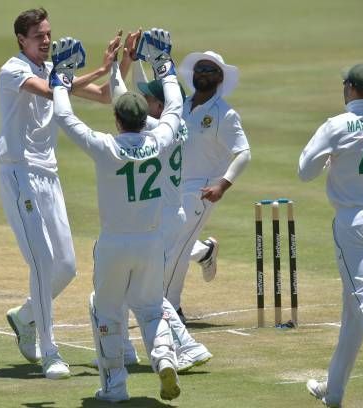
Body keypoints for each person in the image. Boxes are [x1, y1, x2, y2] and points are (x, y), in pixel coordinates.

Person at [51, 29, 182, 402]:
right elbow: (174, 108)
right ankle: (164, 358)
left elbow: (63, 115)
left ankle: (115, 387)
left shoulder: (105, 146)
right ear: (144, 120)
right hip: (151, 241)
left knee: (106, 311)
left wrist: (61, 76)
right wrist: (164, 65)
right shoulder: (159, 140)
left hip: (113, 243)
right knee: (152, 309)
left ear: (118, 121)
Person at [0, 7, 121, 380]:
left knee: (65, 267)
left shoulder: (52, 71)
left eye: (49, 34)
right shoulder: (13, 70)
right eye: (39, 36)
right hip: (20, 175)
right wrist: (69, 75)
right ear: (21, 39)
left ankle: (25, 316)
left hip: (48, 176)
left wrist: (113, 66)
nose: (47, 41)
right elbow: (52, 91)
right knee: (42, 264)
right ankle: (49, 351)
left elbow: (103, 97)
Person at [101, 37, 212, 373]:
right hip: (169, 213)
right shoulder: (172, 125)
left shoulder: (149, 127)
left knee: (145, 295)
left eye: (149, 98)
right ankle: (126, 351)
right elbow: (140, 94)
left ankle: (188, 346)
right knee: (141, 291)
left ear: (157, 107)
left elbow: (122, 99)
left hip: (159, 220)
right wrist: (136, 60)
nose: (144, 100)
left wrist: (113, 65)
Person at [299, 63, 363, 407]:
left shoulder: (335, 126)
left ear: (350, 88)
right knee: (353, 308)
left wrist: (328, 160)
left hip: (353, 223)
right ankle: (333, 392)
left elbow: (304, 171)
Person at [162, 51, 251, 322]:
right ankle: (203, 254)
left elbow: (244, 152)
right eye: (200, 69)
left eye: (210, 70)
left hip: (201, 190)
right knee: (169, 244)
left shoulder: (225, 114)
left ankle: (171, 307)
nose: (203, 74)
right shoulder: (181, 105)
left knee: (175, 249)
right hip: (173, 187)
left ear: (220, 78)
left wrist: (222, 186)